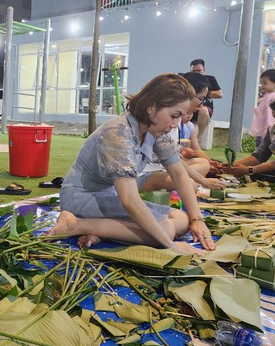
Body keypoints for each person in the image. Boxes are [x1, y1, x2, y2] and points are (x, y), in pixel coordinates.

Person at [47, 73, 216, 254]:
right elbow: (129, 200)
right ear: (151, 107)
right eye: (174, 115)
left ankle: (101, 231)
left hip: (107, 195)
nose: (175, 124)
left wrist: (197, 219)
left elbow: (178, 173)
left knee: (182, 219)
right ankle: (76, 224)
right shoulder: (118, 133)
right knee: (165, 231)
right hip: (82, 198)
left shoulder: (153, 129)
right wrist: (172, 247)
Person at [138, 72, 226, 192]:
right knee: (188, 184)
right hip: (149, 173)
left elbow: (172, 158)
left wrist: (204, 178)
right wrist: (200, 181)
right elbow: (126, 196)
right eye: (200, 98)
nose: (201, 105)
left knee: (195, 173)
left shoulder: (165, 125)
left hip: (161, 169)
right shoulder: (156, 126)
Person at [248, 69, 275, 148]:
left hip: (266, 128)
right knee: (259, 148)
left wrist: (268, 128)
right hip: (262, 127)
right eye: (261, 83)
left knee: (262, 149)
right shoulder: (268, 95)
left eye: (265, 83)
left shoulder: (274, 97)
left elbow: (270, 114)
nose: (262, 85)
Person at [189, 59, 222, 139]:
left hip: (205, 108)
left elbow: (219, 94)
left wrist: (203, 93)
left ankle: (199, 137)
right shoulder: (188, 79)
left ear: (204, 70)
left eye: (199, 70)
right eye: (194, 71)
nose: (196, 73)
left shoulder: (210, 79)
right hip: (189, 108)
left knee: (203, 110)